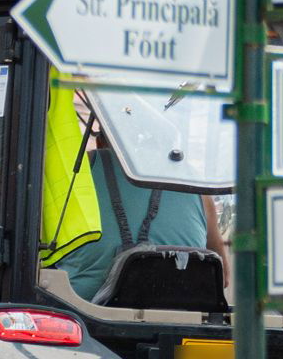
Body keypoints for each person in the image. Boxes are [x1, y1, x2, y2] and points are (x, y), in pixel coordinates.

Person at [40, 73, 212, 299]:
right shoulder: (195, 183)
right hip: (182, 310)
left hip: (83, 310)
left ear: (101, 141)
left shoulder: (80, 169)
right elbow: (224, 275)